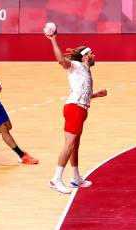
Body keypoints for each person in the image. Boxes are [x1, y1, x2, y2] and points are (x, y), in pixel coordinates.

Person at [44, 31, 107, 194]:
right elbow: (61, 61)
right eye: (91, 53)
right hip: (74, 109)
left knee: (75, 146)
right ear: (85, 56)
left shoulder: (85, 71)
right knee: (69, 145)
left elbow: (82, 92)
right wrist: (53, 39)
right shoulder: (77, 66)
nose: (94, 55)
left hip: (80, 109)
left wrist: (96, 95)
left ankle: (76, 177)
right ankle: (55, 179)